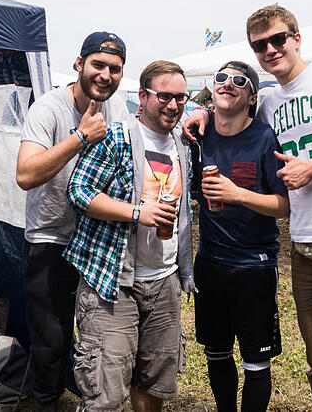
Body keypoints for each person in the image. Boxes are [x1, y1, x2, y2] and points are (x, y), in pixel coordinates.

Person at [184, 4, 312, 410]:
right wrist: (198, 112)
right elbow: (230, 112)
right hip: (304, 247)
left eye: (278, 39)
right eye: (259, 44)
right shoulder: (266, 103)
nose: (270, 49)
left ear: (297, 39)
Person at [65, 60, 194, 412]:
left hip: (164, 282)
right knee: (106, 392)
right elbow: (79, 190)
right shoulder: (116, 138)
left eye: (181, 98)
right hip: (112, 282)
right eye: (164, 96)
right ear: (142, 96)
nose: (173, 105)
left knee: (155, 382)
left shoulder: (182, 144)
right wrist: (137, 212)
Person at [15, 32, 129, 411]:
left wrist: (200, 114)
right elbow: (26, 175)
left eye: (115, 69)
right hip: (51, 236)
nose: (105, 75)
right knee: (52, 337)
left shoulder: (118, 109)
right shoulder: (48, 109)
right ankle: (43, 402)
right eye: (98, 65)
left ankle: (88, 397)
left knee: (96, 333)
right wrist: (81, 136)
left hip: (96, 240)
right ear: (79, 64)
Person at [191, 61, 289, 412]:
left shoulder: (263, 137)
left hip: (254, 266)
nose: (228, 84)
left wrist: (238, 195)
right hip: (210, 264)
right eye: (221, 78)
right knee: (216, 352)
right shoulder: (197, 137)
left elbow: (284, 205)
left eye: (239, 81)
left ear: (251, 97)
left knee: (256, 360)